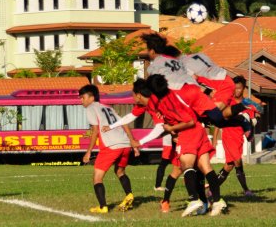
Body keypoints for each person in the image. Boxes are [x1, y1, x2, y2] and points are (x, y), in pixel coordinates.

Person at [141, 32, 254, 141]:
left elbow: (191, 77)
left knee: (215, 118)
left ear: (152, 51)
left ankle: (242, 112)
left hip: (208, 88)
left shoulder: (156, 67)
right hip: (215, 82)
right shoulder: (197, 55)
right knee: (215, 117)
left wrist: (208, 91)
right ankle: (242, 119)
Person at [147, 74, 226, 217]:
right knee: (206, 167)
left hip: (189, 132)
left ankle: (194, 199)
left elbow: (188, 121)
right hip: (199, 130)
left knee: (186, 165)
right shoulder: (173, 94)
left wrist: (171, 129)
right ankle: (217, 200)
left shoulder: (166, 102)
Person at [101, 79, 182, 213]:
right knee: (181, 168)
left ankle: (202, 198)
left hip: (186, 131)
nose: (132, 98)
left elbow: (160, 127)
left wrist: (140, 142)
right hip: (177, 133)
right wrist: (111, 126)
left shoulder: (157, 102)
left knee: (188, 167)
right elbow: (129, 117)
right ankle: (172, 201)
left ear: (138, 94)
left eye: (133, 94)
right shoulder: (145, 105)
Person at [79, 84, 138, 213]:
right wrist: (132, 141)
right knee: (120, 172)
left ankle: (102, 207)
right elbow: (124, 123)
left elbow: (95, 131)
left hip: (111, 146)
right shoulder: (108, 108)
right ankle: (129, 195)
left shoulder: (90, 108)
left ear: (91, 97)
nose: (81, 100)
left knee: (97, 178)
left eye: (82, 97)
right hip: (125, 144)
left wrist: (88, 151)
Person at [212, 76, 256, 196]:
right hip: (228, 135)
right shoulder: (228, 102)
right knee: (237, 161)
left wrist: (252, 127)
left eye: (239, 88)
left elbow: (252, 120)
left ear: (243, 89)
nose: (236, 91)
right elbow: (218, 122)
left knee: (229, 166)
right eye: (235, 88)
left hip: (239, 138)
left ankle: (211, 189)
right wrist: (215, 140)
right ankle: (246, 190)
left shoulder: (247, 104)